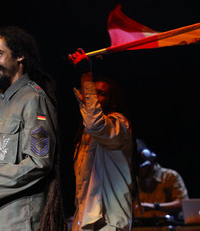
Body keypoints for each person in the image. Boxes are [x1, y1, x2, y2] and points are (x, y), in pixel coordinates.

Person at [0, 26, 66, 231]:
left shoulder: (34, 100)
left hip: (13, 217)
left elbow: (39, 162)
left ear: (20, 56)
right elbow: (4, 156)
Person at [68, 48, 133, 231]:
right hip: (84, 219)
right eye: (93, 91)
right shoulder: (85, 135)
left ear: (113, 101)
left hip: (108, 222)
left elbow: (95, 123)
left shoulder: (119, 124)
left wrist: (86, 75)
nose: (95, 96)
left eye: (102, 93)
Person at [133, 139, 189, 220]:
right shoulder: (134, 181)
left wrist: (155, 206)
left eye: (141, 168)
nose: (138, 171)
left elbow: (183, 204)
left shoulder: (170, 176)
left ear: (151, 162)